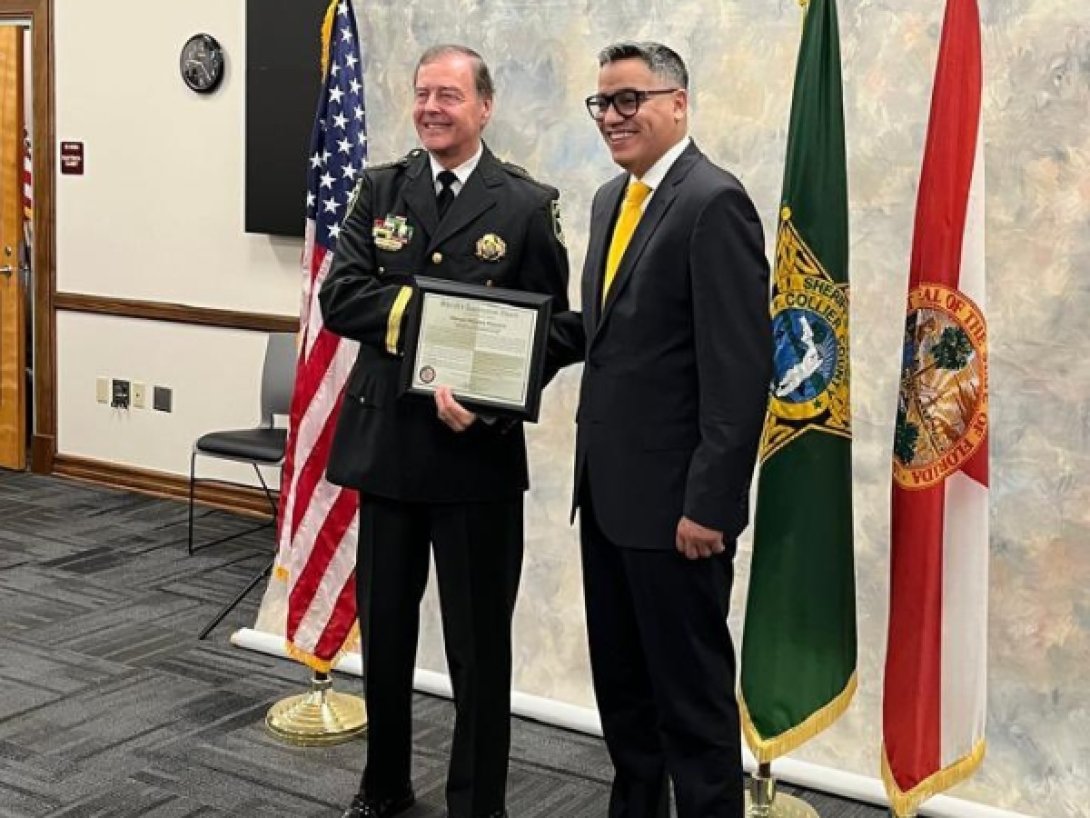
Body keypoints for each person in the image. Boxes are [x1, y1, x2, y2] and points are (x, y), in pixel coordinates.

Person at [320, 44, 569, 818]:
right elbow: (342, 297)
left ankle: (478, 804)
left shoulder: (527, 204)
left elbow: (555, 328)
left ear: (484, 107)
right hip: (389, 450)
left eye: (449, 96)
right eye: (423, 93)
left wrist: (492, 400)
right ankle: (384, 787)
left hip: (476, 459)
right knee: (387, 639)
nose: (431, 107)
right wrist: (434, 327)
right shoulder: (378, 188)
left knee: (477, 649)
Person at [548, 41, 773, 817]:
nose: (612, 117)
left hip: (679, 514)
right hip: (607, 503)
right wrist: (498, 365)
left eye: (629, 100)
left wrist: (710, 504)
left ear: (678, 102)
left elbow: (739, 375)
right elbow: (605, 333)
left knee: (693, 711)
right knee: (627, 703)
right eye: (602, 103)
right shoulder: (613, 200)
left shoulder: (715, 202)